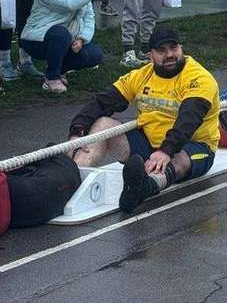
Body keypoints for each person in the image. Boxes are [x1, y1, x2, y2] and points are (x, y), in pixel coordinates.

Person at [69, 27, 219, 213]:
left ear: (181, 48)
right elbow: (102, 102)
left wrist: (166, 151)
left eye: (173, 48)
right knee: (103, 124)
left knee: (179, 157)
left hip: (193, 146)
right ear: (150, 55)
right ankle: (69, 175)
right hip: (148, 145)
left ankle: (144, 187)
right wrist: (77, 132)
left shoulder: (199, 78)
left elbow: (189, 120)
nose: (170, 54)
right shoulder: (140, 76)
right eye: (162, 51)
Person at [19, 0, 104, 92]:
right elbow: (68, 4)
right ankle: (51, 79)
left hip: (68, 37)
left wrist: (82, 39)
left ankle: (59, 70)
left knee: (94, 55)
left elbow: (89, 16)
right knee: (60, 34)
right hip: (37, 39)